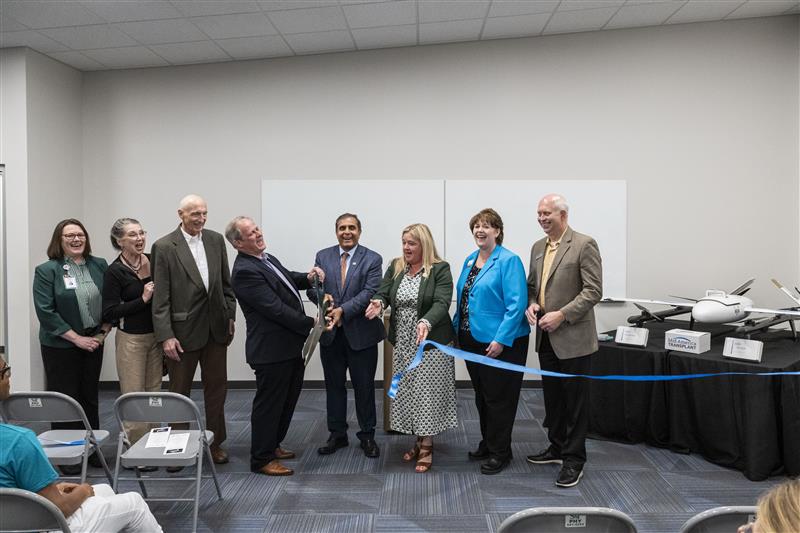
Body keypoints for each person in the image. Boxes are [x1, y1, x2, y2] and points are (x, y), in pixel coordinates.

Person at [0, 355, 164, 532]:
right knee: (134, 503)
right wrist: (84, 491)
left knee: (104, 490)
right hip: (38, 526)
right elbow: (60, 509)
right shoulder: (19, 441)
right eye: (5, 371)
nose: (9, 376)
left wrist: (55, 489)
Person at [226, 216, 327, 476]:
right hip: (271, 350)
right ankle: (261, 459)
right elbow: (275, 310)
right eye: (251, 233)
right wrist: (312, 322)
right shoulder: (245, 271)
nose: (258, 234)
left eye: (257, 229)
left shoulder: (265, 259)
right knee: (269, 405)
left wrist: (308, 276)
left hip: (288, 347)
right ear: (238, 242)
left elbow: (288, 280)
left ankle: (273, 445)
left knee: (287, 400)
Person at [151, 195, 237, 465]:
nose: (200, 219)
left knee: (217, 389)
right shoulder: (164, 246)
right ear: (181, 214)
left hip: (216, 329)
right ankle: (177, 448)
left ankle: (215, 444)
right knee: (179, 392)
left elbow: (226, 284)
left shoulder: (214, 240)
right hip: (181, 333)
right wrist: (165, 336)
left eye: (204, 213)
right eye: (194, 214)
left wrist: (230, 315)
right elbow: (160, 297)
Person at [525, 194, 602, 488]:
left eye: (548, 213)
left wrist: (562, 315)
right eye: (539, 214)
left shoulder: (584, 244)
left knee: (575, 403)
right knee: (553, 399)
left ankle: (574, 459)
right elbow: (533, 286)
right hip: (545, 337)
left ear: (563, 215)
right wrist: (532, 304)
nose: (542, 219)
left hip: (573, 338)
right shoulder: (537, 247)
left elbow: (593, 291)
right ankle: (556, 447)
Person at [365, 223, 456, 473]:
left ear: (423, 245)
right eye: (404, 242)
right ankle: (419, 439)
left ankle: (427, 445)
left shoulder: (439, 269)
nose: (406, 247)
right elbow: (383, 293)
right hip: (403, 341)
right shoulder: (396, 267)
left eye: (412, 243)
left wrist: (426, 321)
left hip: (430, 342)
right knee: (408, 392)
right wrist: (377, 304)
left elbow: (441, 301)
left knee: (426, 393)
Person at [453, 208, 530, 475]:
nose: (480, 230)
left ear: (497, 231)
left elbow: (516, 305)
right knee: (482, 396)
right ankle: (488, 443)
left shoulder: (509, 261)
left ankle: (501, 452)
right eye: (476, 226)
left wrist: (501, 340)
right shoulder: (469, 260)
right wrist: (455, 333)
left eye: (486, 226)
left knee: (500, 398)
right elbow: (463, 300)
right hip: (472, 339)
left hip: (501, 344)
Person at [32, 219, 112, 474]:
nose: (76, 240)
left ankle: (93, 447)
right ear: (59, 240)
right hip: (61, 345)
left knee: (89, 396)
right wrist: (76, 339)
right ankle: (67, 453)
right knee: (65, 399)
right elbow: (46, 311)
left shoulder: (99, 265)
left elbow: (110, 300)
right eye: (69, 236)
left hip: (94, 341)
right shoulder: (47, 270)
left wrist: (101, 334)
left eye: (80, 235)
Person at [309, 213, 385, 458]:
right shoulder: (323, 256)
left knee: (364, 387)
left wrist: (344, 310)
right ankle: (337, 434)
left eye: (352, 227)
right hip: (331, 334)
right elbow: (314, 289)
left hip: (361, 334)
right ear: (336, 231)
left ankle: (367, 435)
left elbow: (369, 292)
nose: (347, 232)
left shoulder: (372, 258)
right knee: (334, 386)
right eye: (342, 228)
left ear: (359, 231)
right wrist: (324, 300)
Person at [102, 218, 162, 459]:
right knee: (134, 393)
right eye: (132, 235)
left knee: (154, 392)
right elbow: (109, 312)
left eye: (141, 233)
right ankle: (137, 451)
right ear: (119, 241)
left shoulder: (152, 260)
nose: (139, 239)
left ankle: (155, 444)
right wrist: (142, 300)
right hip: (131, 340)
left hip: (156, 337)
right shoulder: (114, 271)